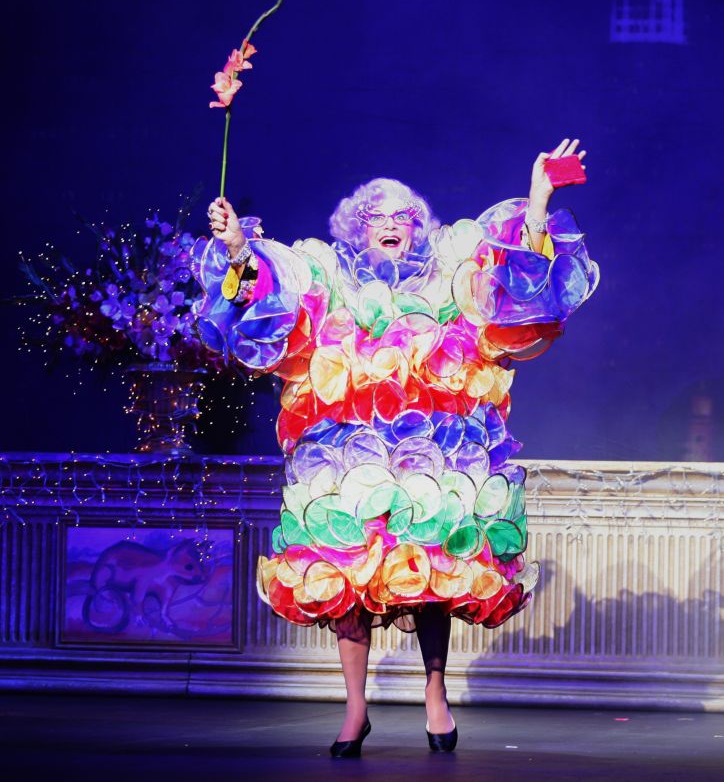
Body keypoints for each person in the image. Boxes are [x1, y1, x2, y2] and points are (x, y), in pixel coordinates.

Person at [191, 138, 598, 757]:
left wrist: (538, 200)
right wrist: (237, 249)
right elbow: (263, 299)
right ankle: (355, 709)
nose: (390, 227)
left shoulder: (448, 276)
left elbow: (517, 284)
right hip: (345, 459)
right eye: (376, 219)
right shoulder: (326, 276)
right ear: (357, 228)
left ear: (418, 230)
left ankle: (435, 693)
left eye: (403, 219)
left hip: (431, 457)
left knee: (429, 571)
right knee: (342, 576)